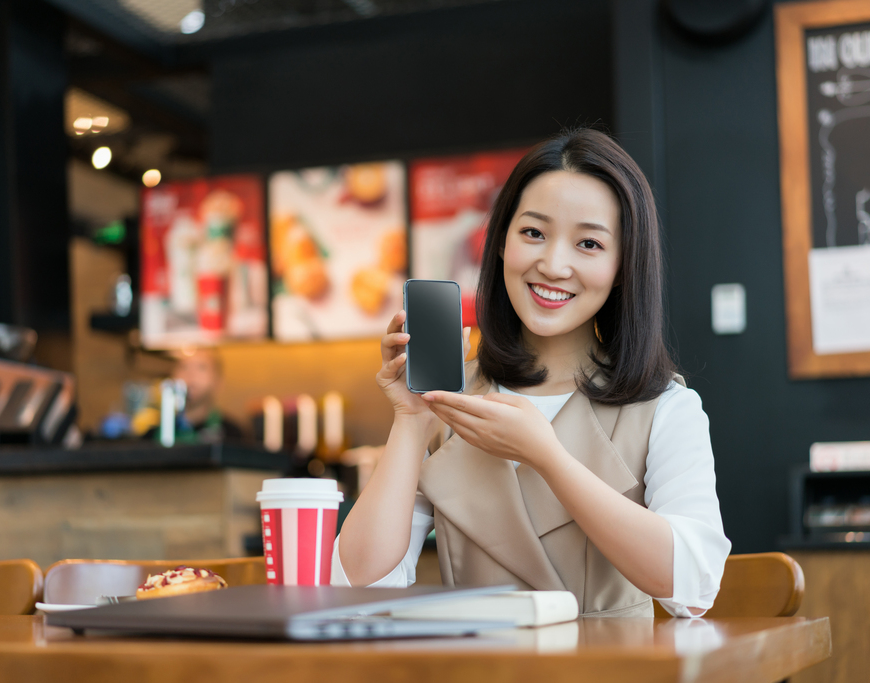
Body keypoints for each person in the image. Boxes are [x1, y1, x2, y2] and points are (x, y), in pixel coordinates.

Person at [332, 128, 731, 617]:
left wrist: (546, 455)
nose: (553, 264)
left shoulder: (666, 407)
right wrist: (412, 422)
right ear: (500, 242)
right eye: (533, 233)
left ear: (624, 265)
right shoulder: (450, 397)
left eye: (588, 243)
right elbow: (357, 588)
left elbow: (692, 589)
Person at [137, 348, 244, 443]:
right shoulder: (152, 437)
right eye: (184, 367)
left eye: (201, 367)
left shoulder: (234, 436)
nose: (191, 374)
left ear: (218, 382)